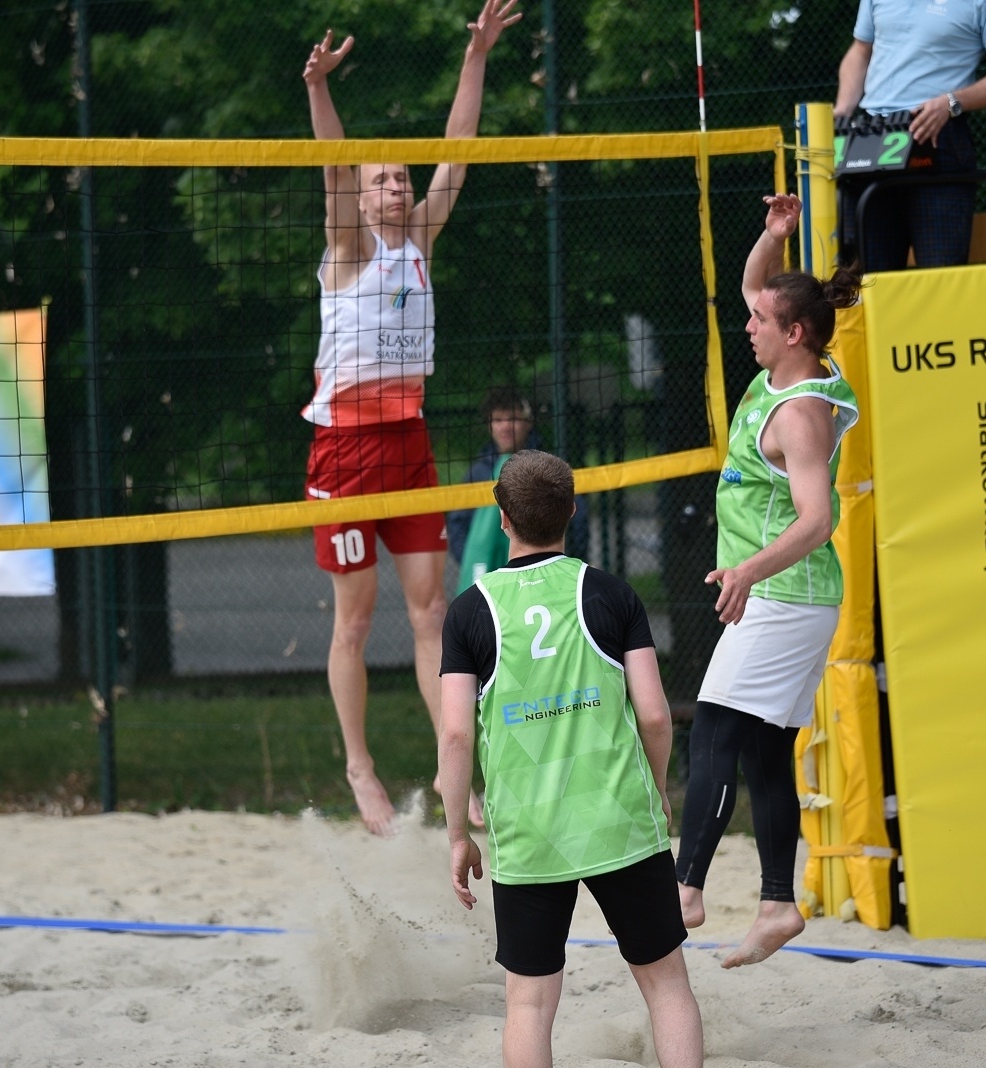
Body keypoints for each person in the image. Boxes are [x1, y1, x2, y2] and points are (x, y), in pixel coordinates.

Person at [302, 0, 520, 836]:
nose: (395, 186)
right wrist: (321, 90)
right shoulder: (348, 247)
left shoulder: (420, 238)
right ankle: (359, 764)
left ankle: (451, 767)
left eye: (400, 177)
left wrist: (478, 55)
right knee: (355, 621)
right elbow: (332, 170)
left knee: (432, 613)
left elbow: (457, 152)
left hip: (409, 442)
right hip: (346, 452)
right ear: (362, 196)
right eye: (382, 179)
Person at [438, 450, 703, 1068]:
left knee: (528, 1005)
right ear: (573, 512)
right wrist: (658, 787)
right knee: (666, 985)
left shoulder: (470, 612)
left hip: (529, 832)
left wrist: (457, 833)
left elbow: (455, 737)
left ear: (501, 517)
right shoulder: (611, 594)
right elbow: (656, 715)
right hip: (618, 817)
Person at [674, 193, 862, 968]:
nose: (745, 323)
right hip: (785, 595)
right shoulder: (793, 364)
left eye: (760, 320)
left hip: (787, 596)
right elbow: (760, 284)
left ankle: (684, 888)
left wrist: (749, 568)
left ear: (794, 334)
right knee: (761, 752)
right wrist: (774, 236)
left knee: (715, 726)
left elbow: (818, 519)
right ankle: (779, 902)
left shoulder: (802, 415)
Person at [833, 0, 986, 271]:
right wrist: (843, 109)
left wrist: (951, 102)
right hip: (871, 138)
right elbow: (860, 51)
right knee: (865, 279)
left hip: (937, 135)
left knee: (940, 277)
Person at [447, 386, 588, 591]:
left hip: (544, 574)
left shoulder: (548, 468)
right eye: (498, 420)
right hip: (491, 579)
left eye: (512, 418)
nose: (505, 426)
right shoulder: (477, 473)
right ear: (489, 425)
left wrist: (568, 560)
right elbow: (458, 526)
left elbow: (577, 519)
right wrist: (476, 562)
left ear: (528, 422)